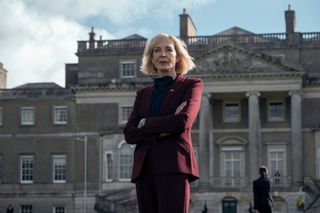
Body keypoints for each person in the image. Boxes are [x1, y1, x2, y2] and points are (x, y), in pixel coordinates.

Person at [123, 33, 203, 213]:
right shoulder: (143, 93)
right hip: (144, 169)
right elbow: (129, 134)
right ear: (151, 58)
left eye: (169, 49)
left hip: (174, 166)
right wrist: (163, 129)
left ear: (178, 56)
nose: (163, 54)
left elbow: (182, 121)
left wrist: (145, 123)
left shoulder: (191, 85)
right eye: (156, 50)